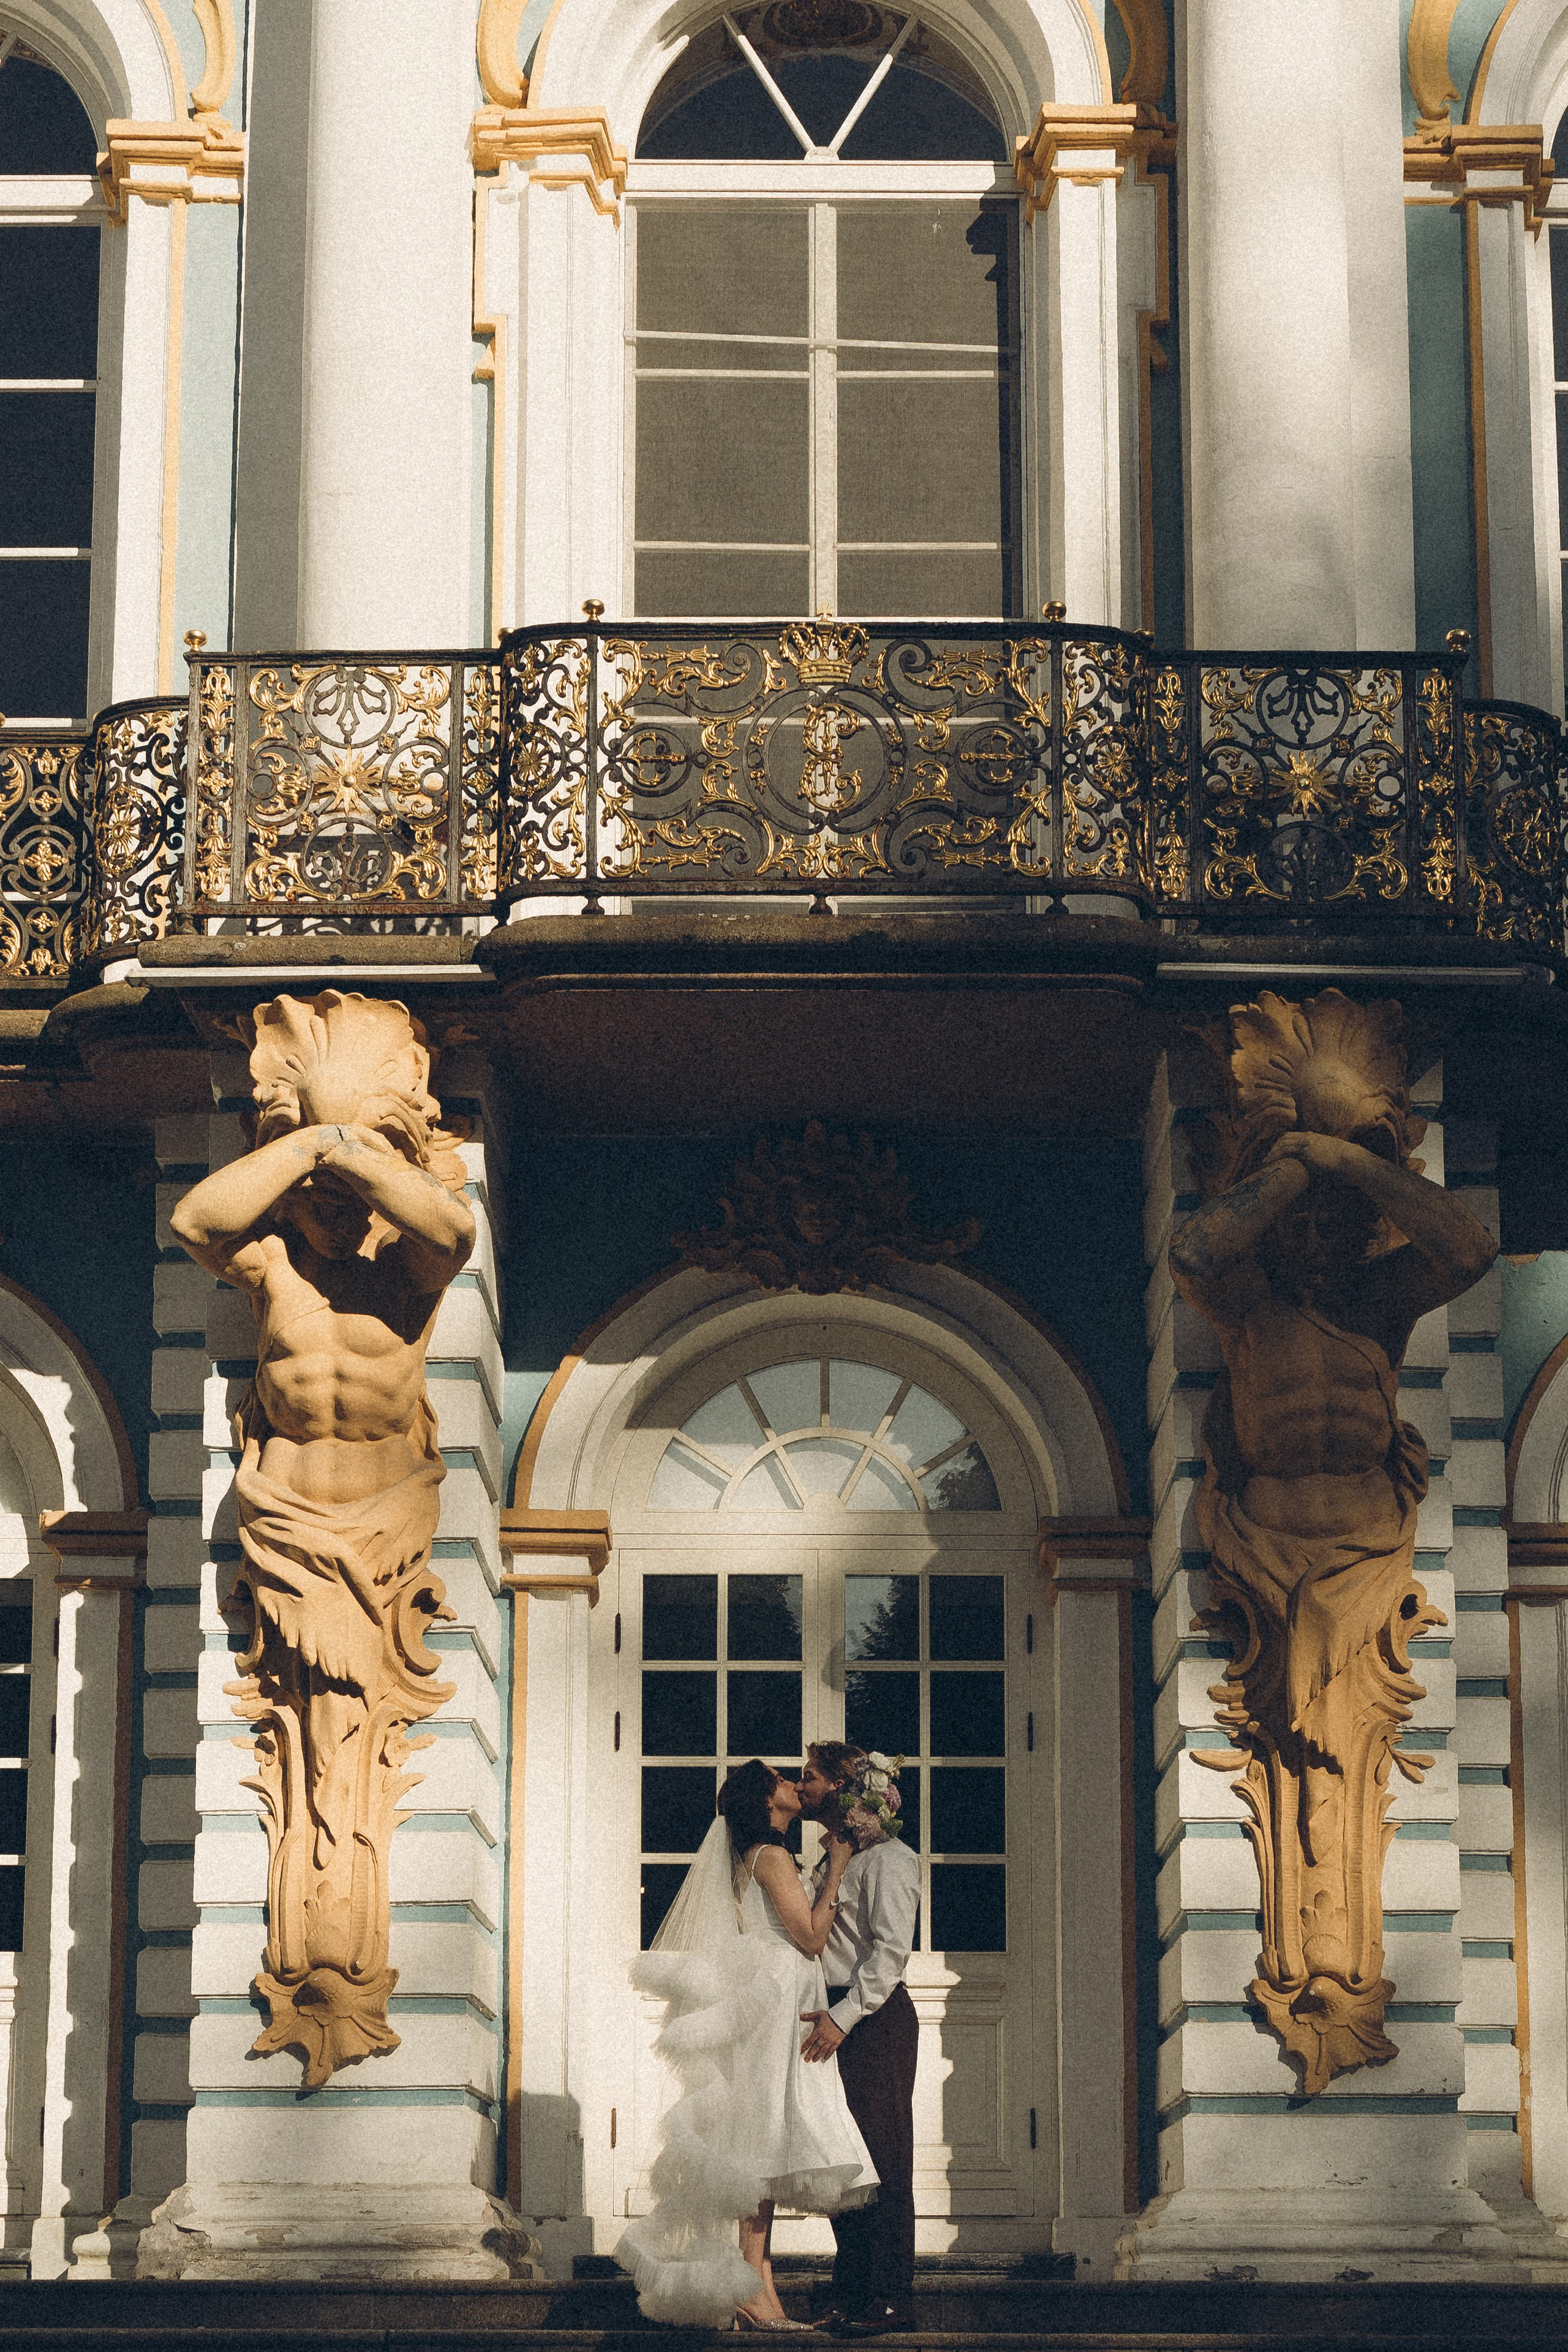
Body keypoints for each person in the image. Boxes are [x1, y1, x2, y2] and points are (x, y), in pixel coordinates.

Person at [620, 1760, 880, 2331]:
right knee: (763, 2137)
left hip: (779, 1995)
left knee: (766, 2137)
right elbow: (811, 1937)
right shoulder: (772, 1856)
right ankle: (752, 2284)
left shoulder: (759, 1855)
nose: (793, 1783)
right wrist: (838, 1868)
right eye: (782, 1780)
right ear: (766, 1800)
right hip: (777, 1999)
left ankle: (757, 2283)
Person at [797, 1743, 921, 2340]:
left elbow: (890, 1955)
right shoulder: (829, 1861)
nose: (801, 1786)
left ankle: (892, 2296)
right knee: (843, 2160)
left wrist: (842, 2018)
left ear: (843, 1789)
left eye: (810, 1777)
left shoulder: (892, 1860)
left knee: (883, 2158)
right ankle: (850, 2291)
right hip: (831, 2017)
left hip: (873, 2020)